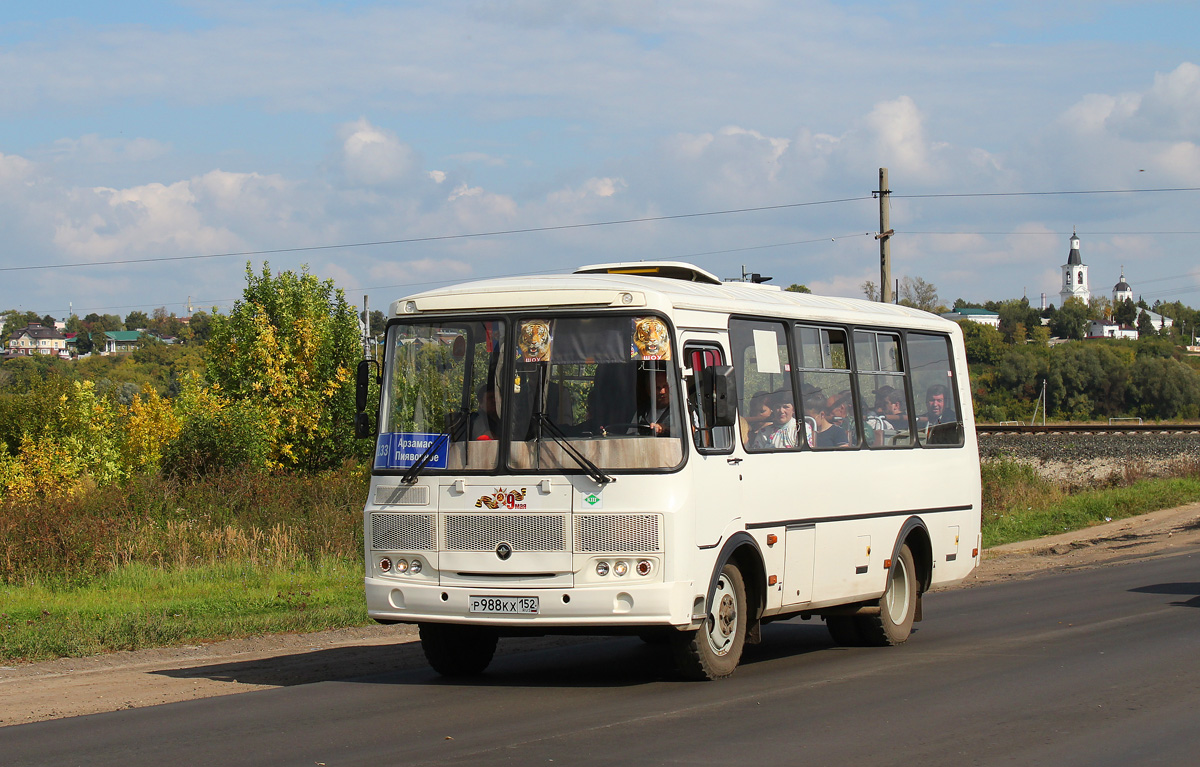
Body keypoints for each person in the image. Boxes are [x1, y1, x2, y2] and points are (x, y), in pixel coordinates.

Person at [637, 368, 675, 436]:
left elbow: (690, 430)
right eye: (657, 388)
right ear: (649, 391)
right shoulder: (642, 412)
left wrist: (664, 429)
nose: (662, 392)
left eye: (665, 386)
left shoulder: (682, 408)